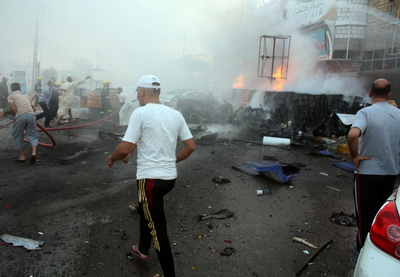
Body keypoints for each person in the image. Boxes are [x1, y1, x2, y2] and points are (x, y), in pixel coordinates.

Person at [107, 75, 196, 277]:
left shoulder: (140, 113)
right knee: (146, 209)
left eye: (138, 93)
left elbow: (124, 148)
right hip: (168, 179)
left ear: (141, 92)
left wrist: (112, 157)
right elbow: (190, 146)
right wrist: (172, 161)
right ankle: (142, 249)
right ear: (159, 92)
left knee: (158, 230)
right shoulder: (175, 114)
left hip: (150, 181)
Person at [347, 78, 400, 263]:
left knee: (364, 214)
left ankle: (361, 252)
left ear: (370, 93)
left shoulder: (365, 112)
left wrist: (355, 156)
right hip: (390, 172)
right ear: (389, 93)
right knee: (381, 213)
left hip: (367, 172)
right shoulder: (398, 113)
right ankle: (378, 250)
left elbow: (353, 134)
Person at [0, 82, 38, 164]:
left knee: (17, 135)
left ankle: (22, 156)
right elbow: (34, 109)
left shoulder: (11, 96)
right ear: (20, 88)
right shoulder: (27, 96)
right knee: (32, 134)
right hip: (31, 115)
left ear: (11, 89)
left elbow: (13, 108)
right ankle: (33, 153)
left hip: (21, 116)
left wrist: (4, 113)